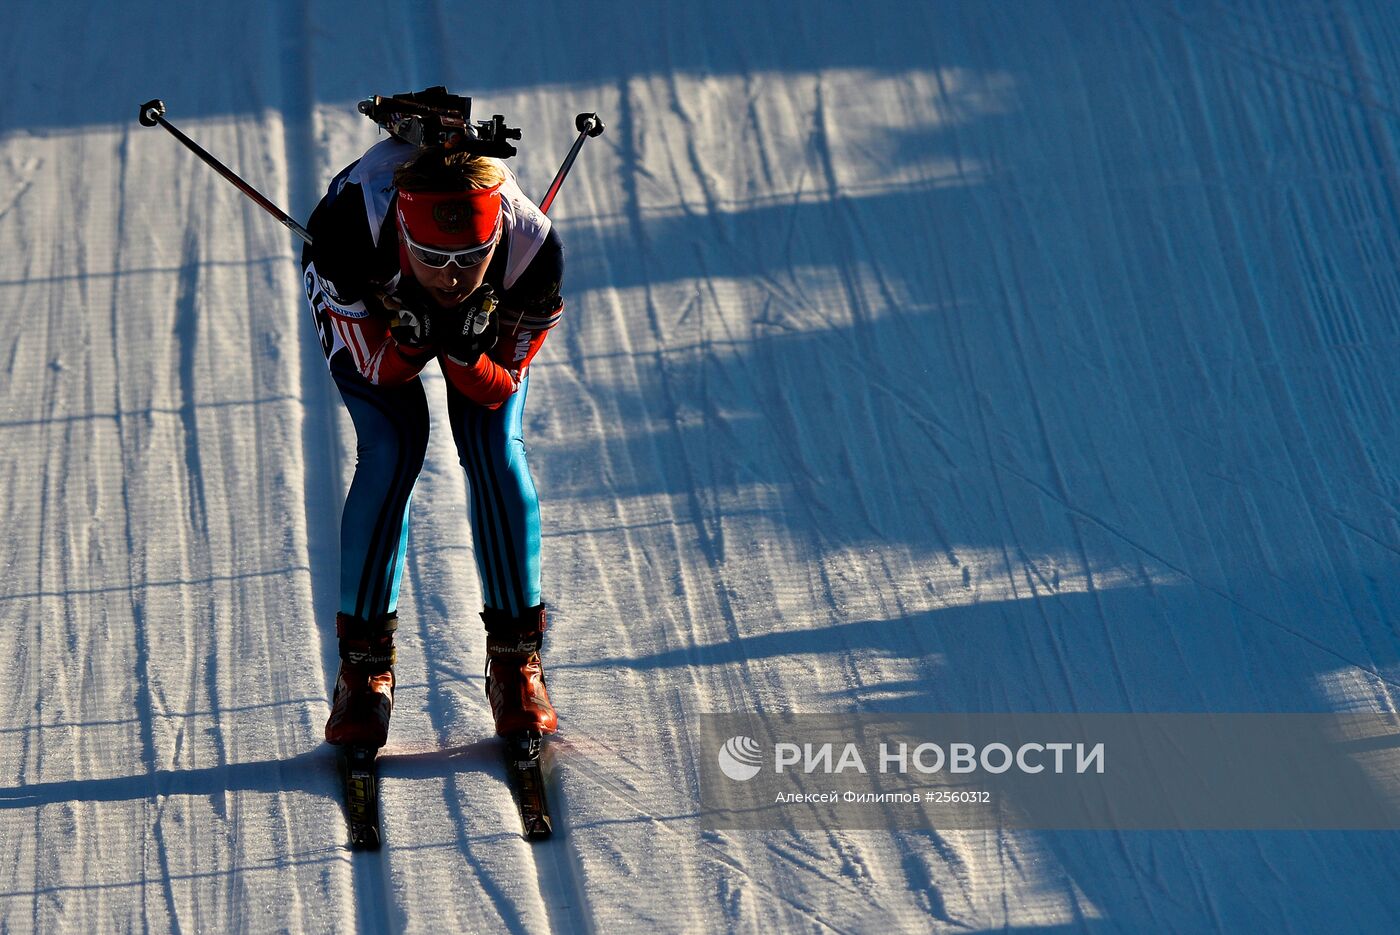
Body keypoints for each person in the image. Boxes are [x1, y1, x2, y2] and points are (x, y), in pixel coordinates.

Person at [299, 132, 564, 750]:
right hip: (369, 289)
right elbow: (375, 371)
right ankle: (362, 674)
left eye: (471, 256)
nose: (451, 276)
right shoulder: (347, 236)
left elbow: (498, 389)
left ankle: (517, 665)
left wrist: (467, 354)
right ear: (402, 235)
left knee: (494, 448)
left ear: (496, 236)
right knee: (392, 446)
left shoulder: (532, 253)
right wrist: (410, 344)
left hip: (470, 302)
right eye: (431, 255)